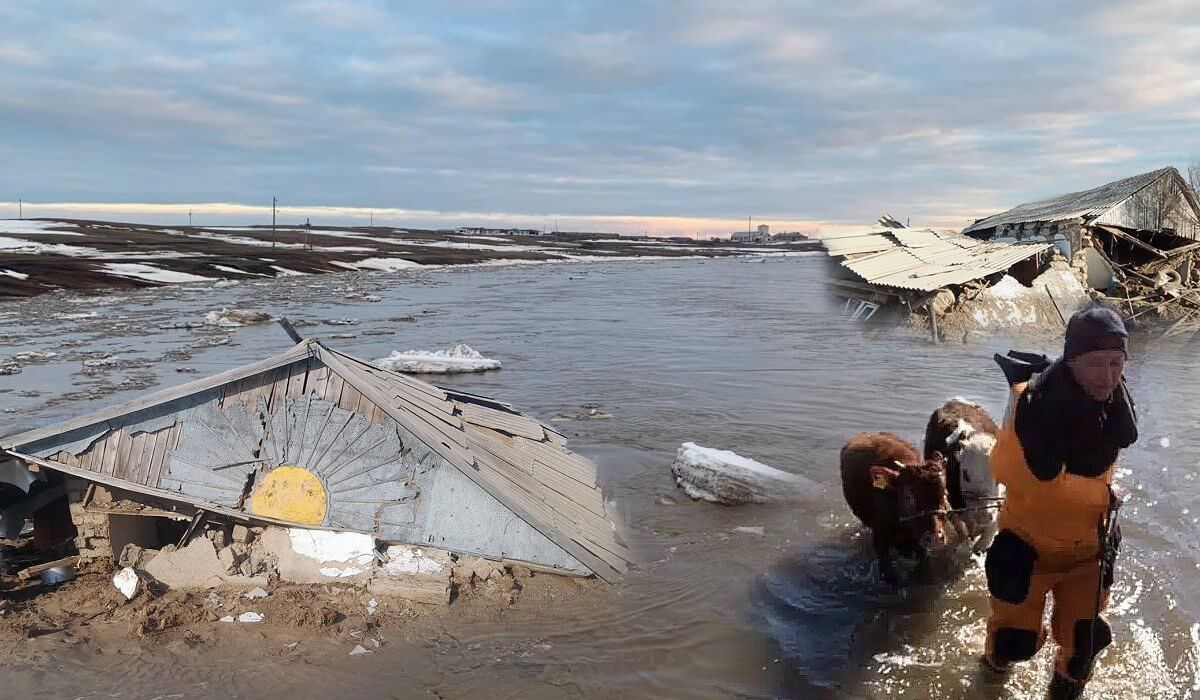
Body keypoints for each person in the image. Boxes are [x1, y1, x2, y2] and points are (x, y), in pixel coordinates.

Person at [981, 306, 1138, 699]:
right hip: (1029, 549)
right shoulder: (1032, 408)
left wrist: (1105, 499)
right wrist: (1103, 497)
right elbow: (1011, 473)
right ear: (1071, 362)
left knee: (1083, 648)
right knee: (1013, 643)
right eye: (1096, 364)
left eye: (1117, 363)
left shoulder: (1114, 404)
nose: (1108, 376)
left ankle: (1064, 688)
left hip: (1089, 554)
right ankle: (987, 676)